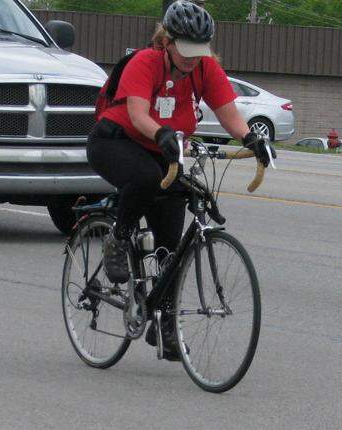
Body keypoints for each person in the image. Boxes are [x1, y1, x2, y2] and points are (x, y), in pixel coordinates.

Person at [86, 0, 273, 360]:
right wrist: (162, 135)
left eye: (198, 50)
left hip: (165, 154)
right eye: (185, 50)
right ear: (167, 40)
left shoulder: (205, 69)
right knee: (144, 178)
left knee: (170, 245)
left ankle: (165, 325)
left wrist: (252, 138)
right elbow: (139, 115)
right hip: (115, 142)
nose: (191, 58)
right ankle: (118, 237)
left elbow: (230, 116)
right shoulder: (146, 62)